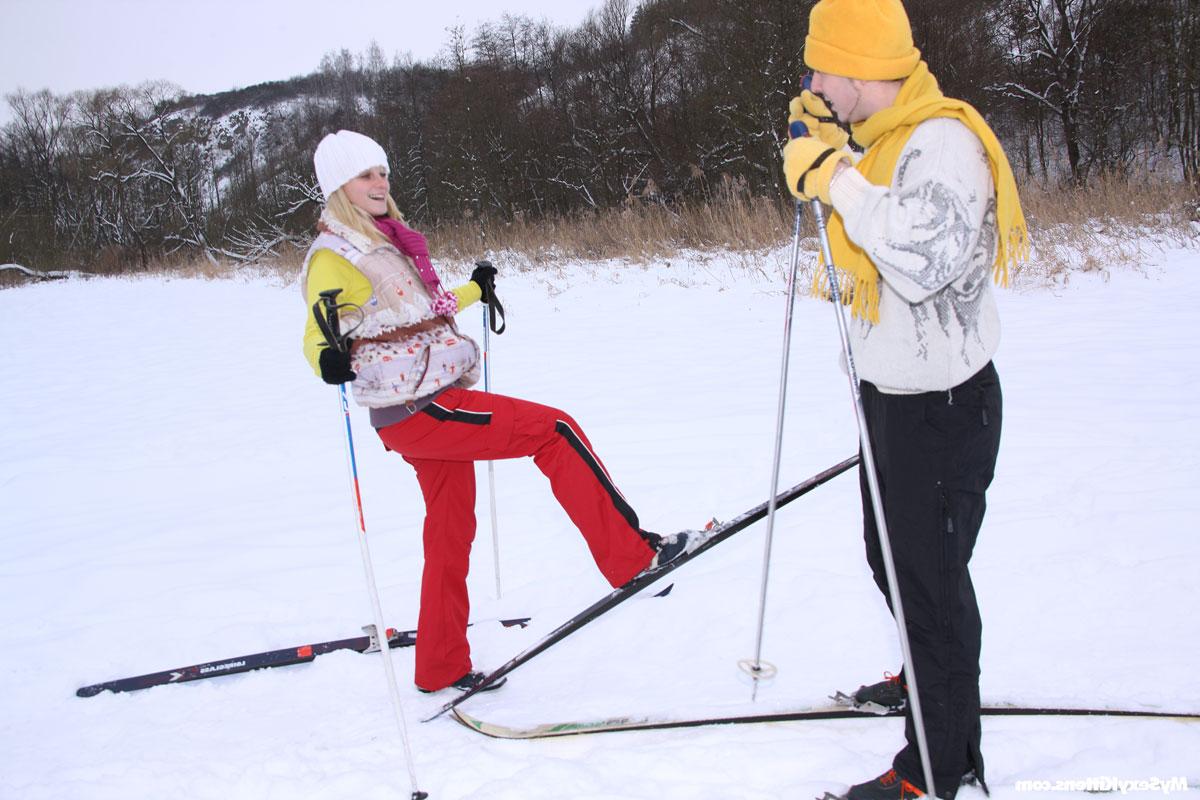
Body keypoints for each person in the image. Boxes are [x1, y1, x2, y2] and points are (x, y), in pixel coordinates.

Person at [300, 130, 697, 693]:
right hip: (422, 407)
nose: (380, 183)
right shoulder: (334, 256)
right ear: (339, 186)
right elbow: (315, 334)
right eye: (366, 175)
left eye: (383, 172)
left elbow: (420, 310)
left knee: (450, 532)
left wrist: (473, 290)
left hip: (417, 408)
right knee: (555, 430)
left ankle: (440, 665)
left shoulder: (387, 242)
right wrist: (327, 361)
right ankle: (634, 559)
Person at [781, 1, 1028, 798]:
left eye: (823, 69)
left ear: (858, 68)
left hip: (944, 409)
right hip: (895, 398)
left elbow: (921, 259)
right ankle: (926, 676)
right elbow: (869, 224)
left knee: (932, 587)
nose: (813, 81)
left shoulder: (943, 144)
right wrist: (828, 153)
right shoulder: (881, 144)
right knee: (893, 563)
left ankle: (937, 769)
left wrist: (832, 174)